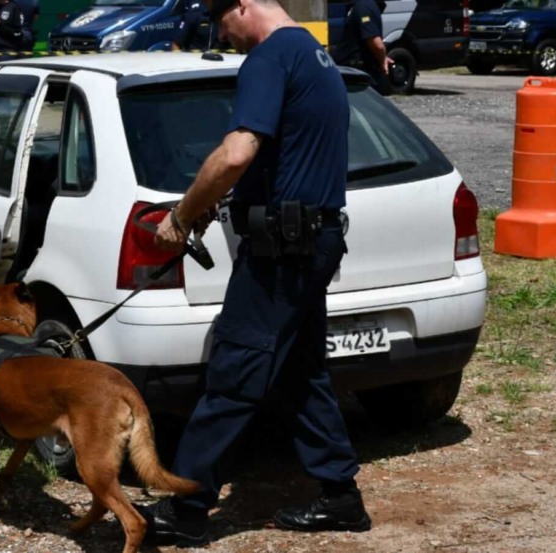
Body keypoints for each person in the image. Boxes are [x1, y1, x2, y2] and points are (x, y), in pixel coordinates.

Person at [139, 0, 371, 545]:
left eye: (221, 23)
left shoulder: (270, 58)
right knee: (299, 370)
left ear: (242, 6)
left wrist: (182, 214)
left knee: (234, 370)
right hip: (312, 240)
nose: (224, 35)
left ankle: (187, 507)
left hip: (283, 251)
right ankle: (339, 495)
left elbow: (237, 153)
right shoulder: (316, 55)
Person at [331, 0, 392, 95]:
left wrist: (382, 59)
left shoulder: (363, 6)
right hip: (355, 69)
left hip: (357, 72)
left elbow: (376, 43)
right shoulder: (363, 5)